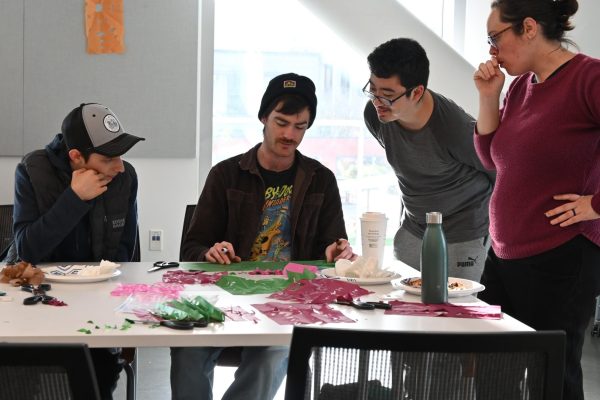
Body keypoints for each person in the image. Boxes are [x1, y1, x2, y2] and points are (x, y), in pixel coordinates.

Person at [172, 72, 356, 400]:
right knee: (187, 349)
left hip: (286, 301)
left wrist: (337, 250)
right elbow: (191, 247)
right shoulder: (226, 174)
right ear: (263, 118)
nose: (289, 134)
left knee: (272, 352)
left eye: (300, 126)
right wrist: (209, 252)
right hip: (223, 297)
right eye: (281, 122)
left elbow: (333, 244)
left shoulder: (320, 179)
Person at [473, 0, 600, 399]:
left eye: (496, 37)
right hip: (505, 254)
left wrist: (596, 205)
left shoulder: (588, 77)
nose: (492, 50)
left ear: (528, 28)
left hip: (562, 256)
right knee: (493, 371)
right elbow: (491, 157)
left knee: (551, 379)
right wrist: (489, 96)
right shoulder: (519, 86)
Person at [10, 103, 144, 399]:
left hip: (97, 306)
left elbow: (126, 254)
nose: (119, 166)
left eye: (121, 155)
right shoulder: (32, 171)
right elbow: (27, 249)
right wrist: (75, 199)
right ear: (76, 157)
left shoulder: (125, 178)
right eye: (109, 158)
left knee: (97, 377)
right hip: (37, 304)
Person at [363, 38, 495, 282]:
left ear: (417, 92)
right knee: (401, 301)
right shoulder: (375, 116)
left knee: (457, 309)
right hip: (416, 225)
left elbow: (497, 170)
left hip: (463, 229)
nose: (377, 102)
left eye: (388, 95)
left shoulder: (453, 127)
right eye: (373, 90)